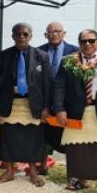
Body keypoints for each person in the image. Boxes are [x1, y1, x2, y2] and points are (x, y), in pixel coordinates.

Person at [53, 29, 97, 193]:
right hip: (75, 111)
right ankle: (79, 179)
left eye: (91, 40)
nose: (87, 44)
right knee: (76, 147)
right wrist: (59, 109)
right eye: (83, 41)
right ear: (79, 43)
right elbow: (59, 86)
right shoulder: (68, 61)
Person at [0, 23, 52, 187]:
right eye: (18, 34)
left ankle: (32, 172)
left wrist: (47, 107)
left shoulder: (42, 56)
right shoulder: (2, 57)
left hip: (33, 103)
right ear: (13, 37)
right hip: (10, 103)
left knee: (33, 138)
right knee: (8, 137)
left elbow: (47, 84)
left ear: (30, 36)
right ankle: (10, 171)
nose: (21, 37)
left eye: (25, 34)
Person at [38, 21, 79, 174]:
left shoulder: (75, 52)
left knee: (70, 136)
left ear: (64, 33)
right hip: (45, 101)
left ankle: (73, 172)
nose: (54, 34)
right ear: (45, 35)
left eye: (57, 31)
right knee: (43, 134)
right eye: (50, 31)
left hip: (67, 103)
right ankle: (42, 166)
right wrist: (43, 105)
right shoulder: (38, 51)